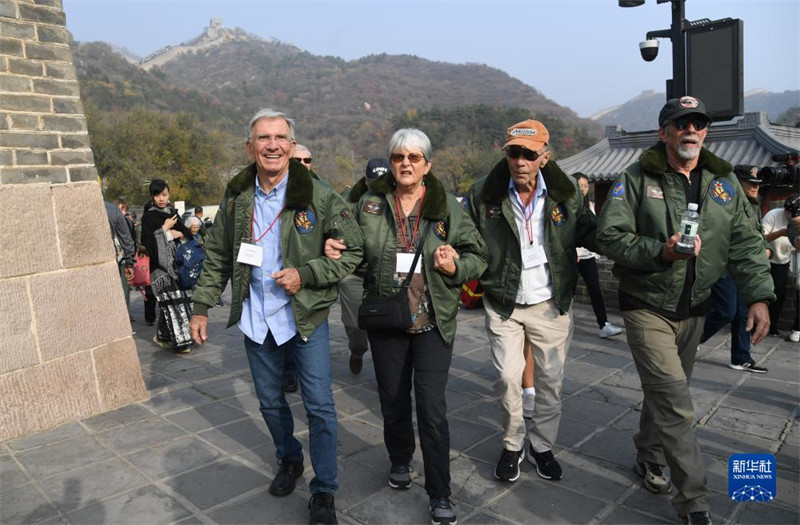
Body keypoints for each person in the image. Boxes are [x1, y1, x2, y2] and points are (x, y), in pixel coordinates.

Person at [597, 96, 774, 525]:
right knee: (676, 401)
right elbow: (609, 236)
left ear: (705, 132)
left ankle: (648, 455)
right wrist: (659, 251)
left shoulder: (724, 181)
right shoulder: (637, 177)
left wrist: (759, 296)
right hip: (647, 305)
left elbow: (747, 243)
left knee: (665, 392)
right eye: (680, 124)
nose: (690, 131)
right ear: (664, 133)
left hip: (694, 309)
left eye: (697, 124)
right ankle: (694, 501)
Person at [189, 108, 363, 525]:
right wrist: (201, 306)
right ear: (250, 147)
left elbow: (353, 250)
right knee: (270, 403)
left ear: (291, 145)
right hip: (256, 317)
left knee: (319, 406)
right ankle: (289, 458)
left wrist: (307, 274)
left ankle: (324, 489)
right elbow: (216, 254)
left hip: (305, 316)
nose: (271, 145)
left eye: (280, 138)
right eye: (263, 138)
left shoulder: (318, 196)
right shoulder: (237, 197)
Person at [327, 128, 486, 525]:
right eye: (399, 157)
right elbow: (352, 252)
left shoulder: (447, 205)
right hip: (386, 318)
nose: (406, 164)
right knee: (393, 401)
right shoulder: (369, 205)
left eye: (414, 158)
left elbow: (477, 255)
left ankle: (440, 491)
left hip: (433, 320)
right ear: (391, 162)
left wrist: (455, 265)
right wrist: (332, 249)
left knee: (432, 409)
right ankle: (400, 459)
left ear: (428, 166)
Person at [467, 119, 597, 484]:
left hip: (550, 303)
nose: (520, 161)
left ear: (545, 157)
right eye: (513, 153)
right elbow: (465, 238)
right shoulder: (483, 194)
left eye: (528, 153)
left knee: (550, 382)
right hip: (504, 301)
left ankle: (541, 446)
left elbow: (592, 231)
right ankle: (512, 444)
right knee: (508, 379)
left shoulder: (567, 191)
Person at [699, 166, 769, 372]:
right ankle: (692, 338)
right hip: (722, 265)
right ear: (736, 183)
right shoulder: (721, 202)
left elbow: (757, 235)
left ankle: (740, 357)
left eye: (757, 184)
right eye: (751, 183)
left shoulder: (753, 207)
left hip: (743, 268)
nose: (755, 188)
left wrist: (766, 250)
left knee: (743, 313)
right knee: (725, 311)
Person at [340, 158, 391, 374]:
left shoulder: (399, 199)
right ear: (366, 179)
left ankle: (387, 369)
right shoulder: (349, 201)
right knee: (355, 325)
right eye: (374, 181)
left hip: (384, 273)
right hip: (354, 273)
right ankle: (357, 350)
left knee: (387, 326)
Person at [140, 179, 195, 353]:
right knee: (172, 302)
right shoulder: (149, 216)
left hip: (177, 267)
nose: (161, 199)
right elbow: (147, 242)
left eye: (164, 194)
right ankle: (181, 342)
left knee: (174, 301)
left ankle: (163, 336)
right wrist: (164, 230)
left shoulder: (172, 213)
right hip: (160, 269)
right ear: (152, 196)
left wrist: (178, 232)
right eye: (157, 195)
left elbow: (186, 236)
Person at [281, 144, 314, 392]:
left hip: (311, 285)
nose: (303, 164)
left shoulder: (322, 195)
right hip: (278, 283)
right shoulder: (270, 193)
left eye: (307, 160)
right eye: (297, 160)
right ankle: (290, 372)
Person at [574, 173, 623, 339]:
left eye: (586, 185)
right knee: (567, 292)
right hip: (572, 257)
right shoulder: (568, 207)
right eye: (579, 185)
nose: (583, 189)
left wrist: (594, 254)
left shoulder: (591, 206)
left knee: (595, 290)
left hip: (587, 257)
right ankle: (560, 323)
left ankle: (603, 324)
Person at [762, 196, 798, 339]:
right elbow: (761, 239)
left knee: (780, 295)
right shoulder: (773, 215)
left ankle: (772, 326)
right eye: (789, 214)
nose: (792, 217)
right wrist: (782, 232)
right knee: (763, 293)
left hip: (783, 261)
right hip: (766, 259)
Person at [105, 201, 136, 316]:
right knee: (119, 295)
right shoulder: (112, 210)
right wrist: (129, 263)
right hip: (111, 261)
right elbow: (126, 239)